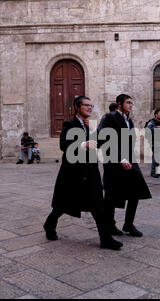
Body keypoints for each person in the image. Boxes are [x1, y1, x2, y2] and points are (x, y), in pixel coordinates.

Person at [43, 96, 122, 250]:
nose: (89, 108)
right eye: (86, 105)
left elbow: (101, 143)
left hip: (91, 171)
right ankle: (49, 224)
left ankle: (105, 239)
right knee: (62, 205)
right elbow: (64, 145)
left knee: (98, 205)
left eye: (91, 105)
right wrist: (83, 143)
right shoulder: (69, 124)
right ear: (77, 107)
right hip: (73, 172)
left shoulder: (91, 126)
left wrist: (93, 131)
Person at [100, 94, 152, 237]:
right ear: (119, 104)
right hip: (114, 162)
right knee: (111, 195)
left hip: (129, 160)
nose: (130, 105)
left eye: (131, 103)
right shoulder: (110, 118)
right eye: (128, 103)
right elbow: (105, 140)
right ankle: (110, 225)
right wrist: (120, 158)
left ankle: (128, 224)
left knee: (136, 191)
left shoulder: (128, 120)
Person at [145, 109, 160, 178]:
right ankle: (153, 172)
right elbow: (148, 129)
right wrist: (156, 127)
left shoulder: (159, 122)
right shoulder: (152, 122)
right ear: (156, 115)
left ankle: (156, 171)